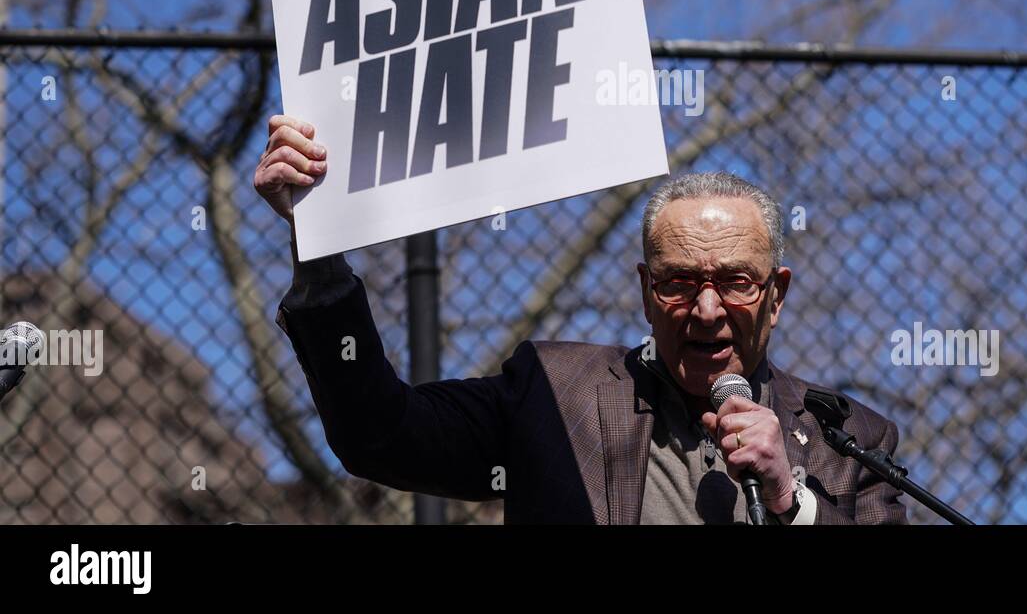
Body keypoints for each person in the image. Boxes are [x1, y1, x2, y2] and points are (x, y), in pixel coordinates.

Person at [255, 113, 907, 524]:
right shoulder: (552, 392)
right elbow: (380, 435)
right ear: (647, 292)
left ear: (776, 293)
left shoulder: (847, 440)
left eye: (735, 283)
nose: (707, 310)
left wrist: (793, 506)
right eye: (680, 283)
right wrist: (319, 247)